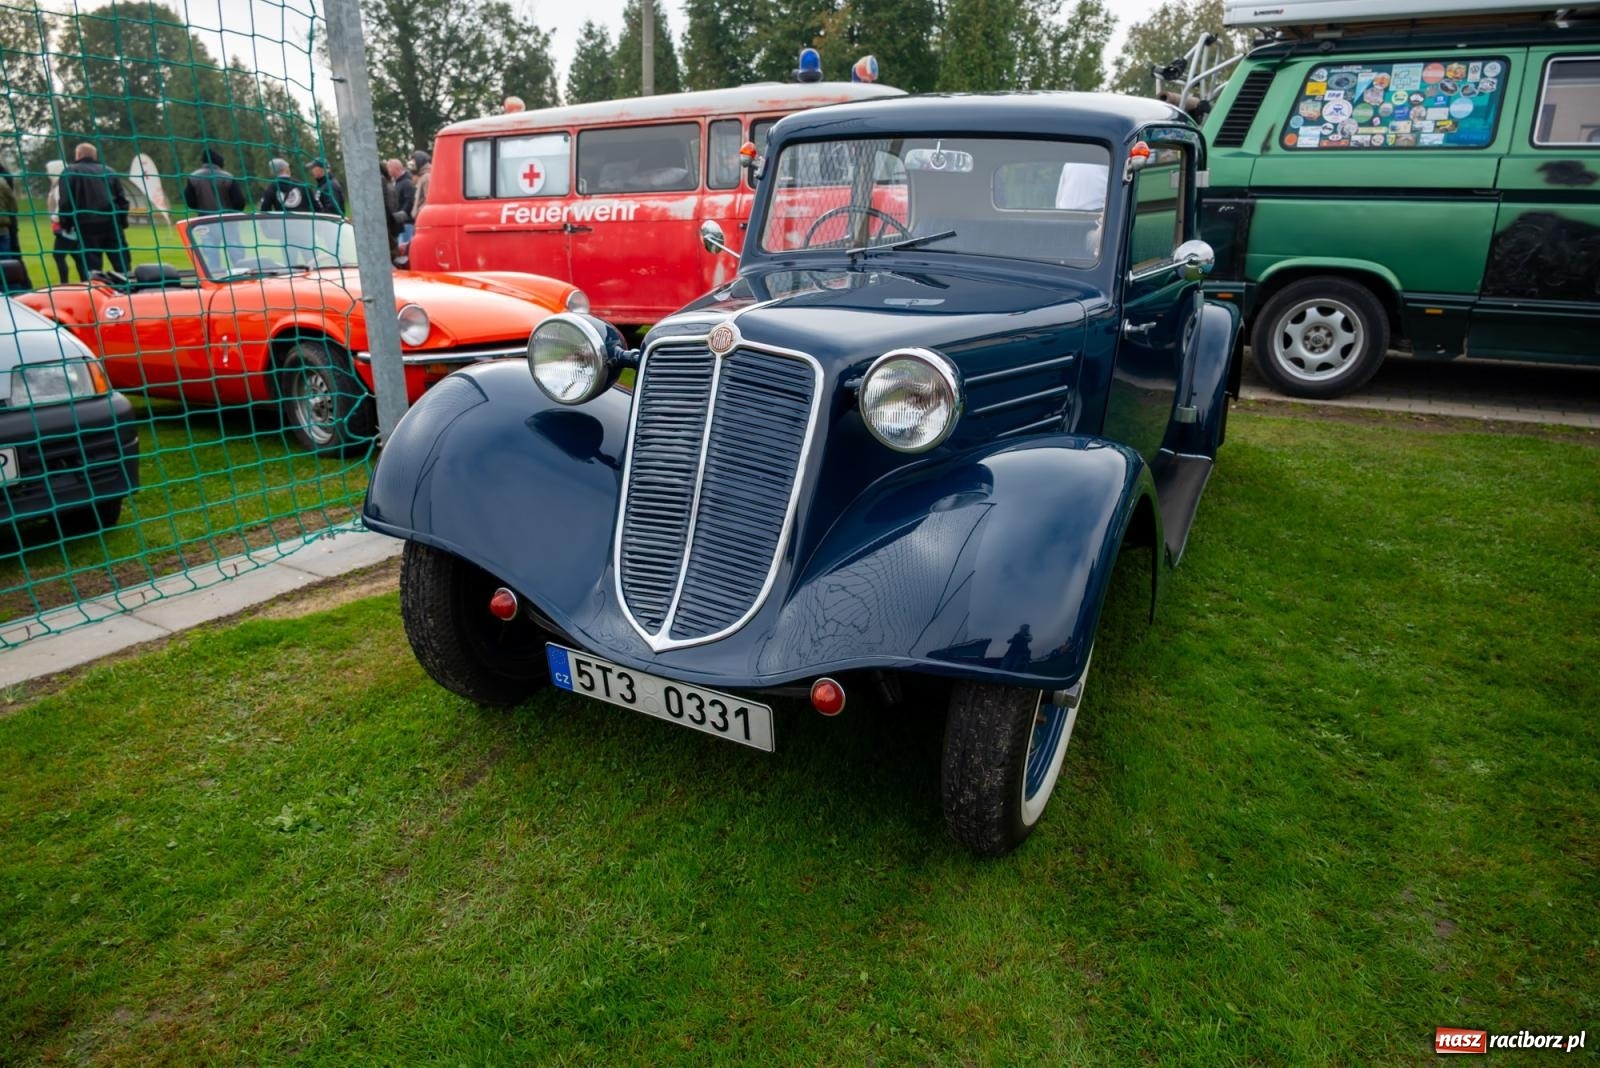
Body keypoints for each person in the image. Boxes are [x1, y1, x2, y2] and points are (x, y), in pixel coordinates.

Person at [60, 142, 131, 276]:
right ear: (94, 155)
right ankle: (128, 290)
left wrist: (66, 223)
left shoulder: (70, 171)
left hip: (86, 224)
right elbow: (122, 200)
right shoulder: (108, 171)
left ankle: (96, 291)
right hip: (112, 223)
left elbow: (65, 201)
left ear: (79, 155)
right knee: (122, 263)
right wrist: (122, 222)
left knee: (92, 266)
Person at [183, 146, 245, 215]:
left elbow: (190, 202)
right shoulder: (228, 177)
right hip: (228, 220)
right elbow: (239, 202)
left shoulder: (193, 177)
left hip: (205, 221)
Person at [387, 158, 415, 243]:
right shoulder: (396, 183)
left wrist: (400, 215)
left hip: (406, 224)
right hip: (400, 224)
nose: (387, 169)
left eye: (389, 167)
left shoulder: (407, 183)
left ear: (396, 168)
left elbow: (409, 201)